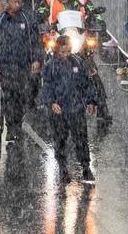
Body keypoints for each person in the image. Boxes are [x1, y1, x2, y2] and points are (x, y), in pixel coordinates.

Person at [40, 19, 97, 184]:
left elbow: (86, 83)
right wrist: (51, 102)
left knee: (81, 138)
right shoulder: (50, 66)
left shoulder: (78, 63)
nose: (65, 55)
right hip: (59, 111)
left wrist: (91, 101)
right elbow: (47, 86)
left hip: (76, 108)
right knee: (60, 139)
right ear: (57, 51)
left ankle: (86, 167)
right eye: (62, 52)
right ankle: (63, 168)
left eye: (67, 52)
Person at [0, 0, 42, 141]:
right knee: (7, 98)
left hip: (22, 65)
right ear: (8, 2)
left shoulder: (27, 19)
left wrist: (36, 59)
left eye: (19, 1)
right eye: (13, 1)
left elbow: (35, 41)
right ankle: (10, 127)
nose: (16, 4)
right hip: (5, 66)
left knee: (20, 97)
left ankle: (17, 124)